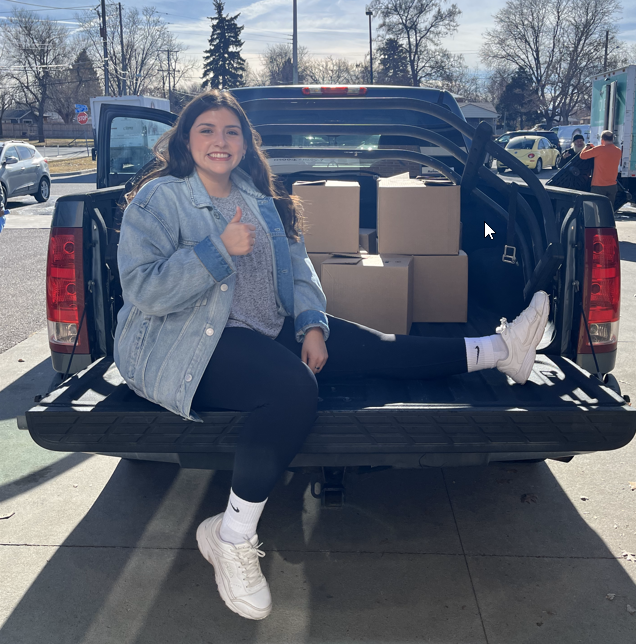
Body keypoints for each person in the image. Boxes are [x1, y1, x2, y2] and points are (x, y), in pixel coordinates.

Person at [114, 89, 550, 621]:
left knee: (376, 347)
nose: (219, 141)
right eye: (206, 129)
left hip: (264, 329)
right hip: (185, 342)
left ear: (246, 143)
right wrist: (216, 250)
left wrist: (313, 324)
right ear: (185, 138)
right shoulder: (160, 199)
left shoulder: (259, 198)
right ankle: (230, 536)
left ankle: (501, 351)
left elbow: (300, 271)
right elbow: (143, 289)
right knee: (293, 388)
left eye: (231, 131)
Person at [579, 130, 622, 207]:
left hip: (598, 185)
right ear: (612, 139)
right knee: (608, 209)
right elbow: (607, 154)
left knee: (596, 209)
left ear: (602, 139)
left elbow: (582, 156)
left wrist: (586, 147)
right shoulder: (618, 151)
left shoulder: (599, 149)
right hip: (612, 185)